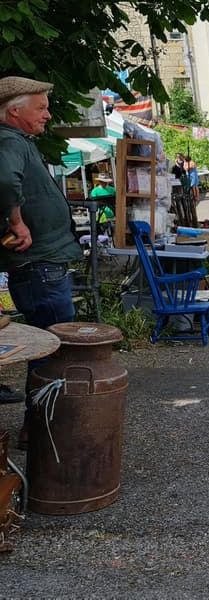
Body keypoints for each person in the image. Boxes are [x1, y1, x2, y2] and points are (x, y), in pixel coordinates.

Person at [0, 76, 83, 445]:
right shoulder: (7, 140)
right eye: (41, 107)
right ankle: (41, 429)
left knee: (48, 345)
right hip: (39, 265)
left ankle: (42, 426)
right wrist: (15, 221)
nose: (48, 114)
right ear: (14, 110)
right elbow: (3, 181)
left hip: (41, 263)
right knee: (50, 348)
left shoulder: (15, 140)